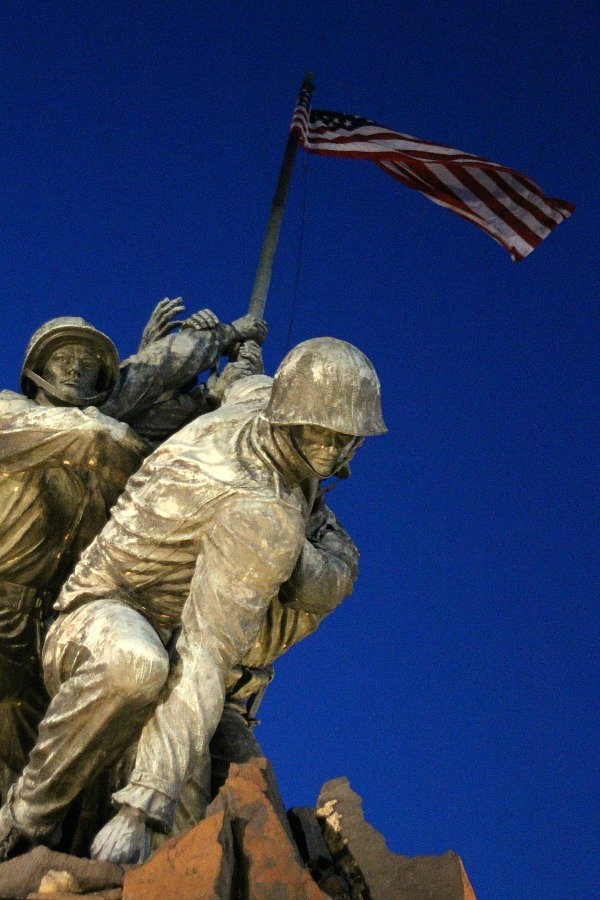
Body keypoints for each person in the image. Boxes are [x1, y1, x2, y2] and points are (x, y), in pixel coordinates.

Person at [0, 337, 386, 863]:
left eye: (349, 439)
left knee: (183, 839)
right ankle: (25, 817)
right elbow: (205, 653)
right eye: (324, 432)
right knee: (133, 665)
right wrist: (143, 804)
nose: (336, 452)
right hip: (98, 616)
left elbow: (205, 650)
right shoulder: (261, 511)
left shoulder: (259, 411)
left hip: (188, 653)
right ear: (290, 414)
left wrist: (245, 353)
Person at [0, 304, 266, 797]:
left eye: (88, 362)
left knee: (63, 747)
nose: (76, 369)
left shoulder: (110, 426)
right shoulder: (11, 414)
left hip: (57, 619)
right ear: (36, 371)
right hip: (4, 609)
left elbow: (180, 410)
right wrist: (218, 336)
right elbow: (95, 433)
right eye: (64, 359)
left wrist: (233, 380)